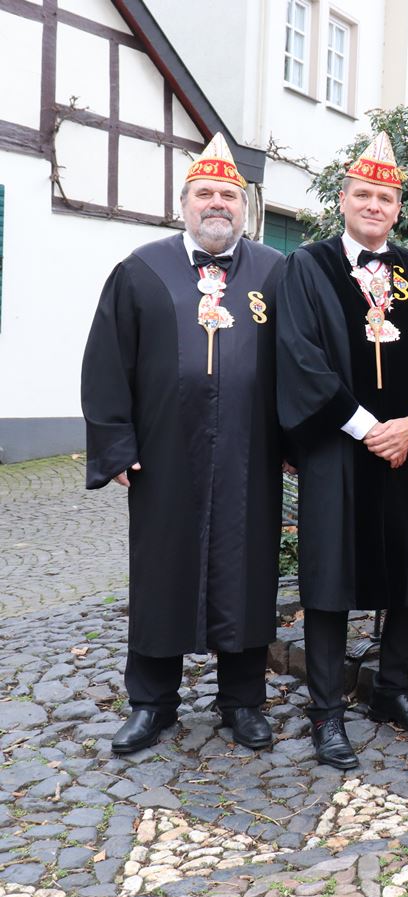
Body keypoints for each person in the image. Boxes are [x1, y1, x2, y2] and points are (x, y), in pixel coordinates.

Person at [82, 134, 284, 754]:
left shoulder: (276, 272)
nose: (217, 203)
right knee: (160, 571)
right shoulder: (141, 269)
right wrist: (116, 442)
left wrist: (298, 441)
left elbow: (300, 362)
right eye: (205, 194)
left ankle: (243, 700)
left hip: (251, 453)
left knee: (247, 571)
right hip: (165, 452)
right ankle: (152, 702)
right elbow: (107, 360)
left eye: (228, 194)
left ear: (245, 207)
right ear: (184, 203)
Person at [276, 133, 408, 770]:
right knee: (329, 579)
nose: (374, 205)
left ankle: (392, 690)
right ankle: (326, 711)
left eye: (386, 197)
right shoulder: (307, 266)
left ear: (398, 208)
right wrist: (365, 426)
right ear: (343, 200)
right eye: (364, 194)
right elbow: (298, 354)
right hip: (338, 450)